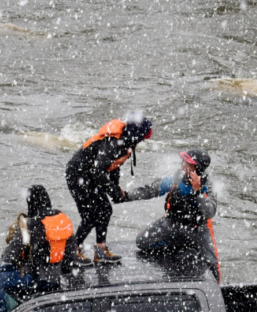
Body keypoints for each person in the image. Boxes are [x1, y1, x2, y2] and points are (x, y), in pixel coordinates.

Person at [0, 185, 78, 312]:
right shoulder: (62, 220)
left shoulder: (31, 224)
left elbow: (9, 256)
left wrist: (20, 233)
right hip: (53, 279)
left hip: (36, 279)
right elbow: (70, 258)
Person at [65, 113, 153, 266]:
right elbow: (97, 171)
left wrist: (116, 188)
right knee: (90, 215)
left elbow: (113, 167)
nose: (143, 140)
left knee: (105, 209)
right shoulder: (113, 143)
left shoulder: (124, 141)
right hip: (77, 175)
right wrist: (113, 191)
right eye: (144, 137)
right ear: (138, 135)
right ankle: (73, 251)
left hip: (90, 176)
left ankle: (100, 250)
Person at [125, 149, 220, 282]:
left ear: (197, 168)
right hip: (172, 222)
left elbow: (210, 211)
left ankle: (217, 293)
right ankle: (179, 244)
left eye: (188, 164)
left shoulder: (208, 185)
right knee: (142, 242)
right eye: (184, 162)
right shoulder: (177, 177)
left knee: (212, 265)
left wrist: (198, 191)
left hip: (197, 229)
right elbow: (152, 189)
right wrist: (126, 196)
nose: (183, 165)